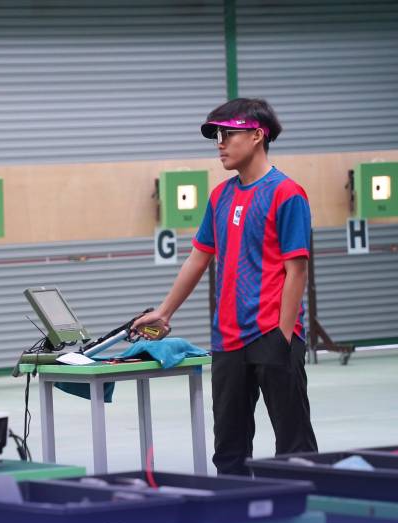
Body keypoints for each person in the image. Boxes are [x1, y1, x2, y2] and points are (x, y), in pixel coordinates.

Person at [133, 98, 318, 475]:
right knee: (229, 450)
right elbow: (198, 258)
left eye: (228, 134)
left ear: (257, 136)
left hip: (272, 333)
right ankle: (236, 510)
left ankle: (304, 508)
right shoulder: (220, 196)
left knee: (294, 445)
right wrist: (164, 312)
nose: (220, 144)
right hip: (228, 339)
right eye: (216, 136)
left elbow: (296, 271)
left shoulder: (287, 193)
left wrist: (283, 336)